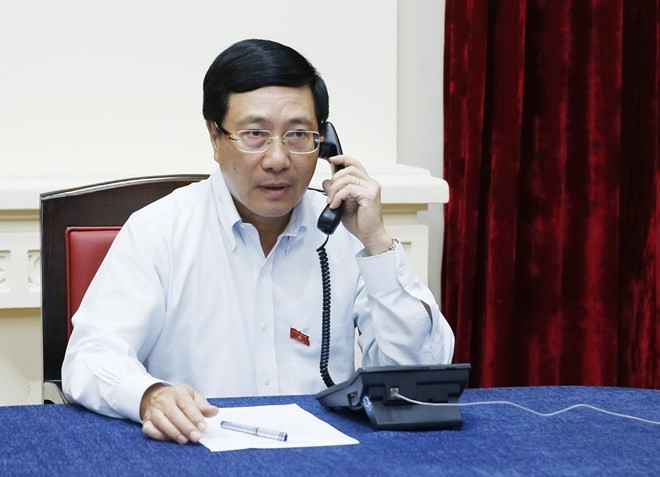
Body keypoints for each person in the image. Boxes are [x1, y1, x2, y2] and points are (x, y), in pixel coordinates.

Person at [62, 38, 455, 445]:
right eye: (255, 134)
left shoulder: (344, 235)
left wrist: (376, 244)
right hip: (194, 454)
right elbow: (89, 358)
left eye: (299, 134)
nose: (278, 159)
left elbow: (419, 379)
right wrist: (149, 396)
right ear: (215, 137)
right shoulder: (158, 231)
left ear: (325, 143)